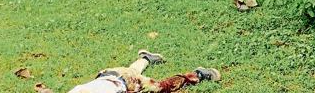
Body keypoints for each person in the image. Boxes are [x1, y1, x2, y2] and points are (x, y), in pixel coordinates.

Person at [67, 49, 220, 93]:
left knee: (161, 86)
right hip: (110, 74)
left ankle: (197, 75)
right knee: (132, 70)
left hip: (125, 81)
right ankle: (147, 58)